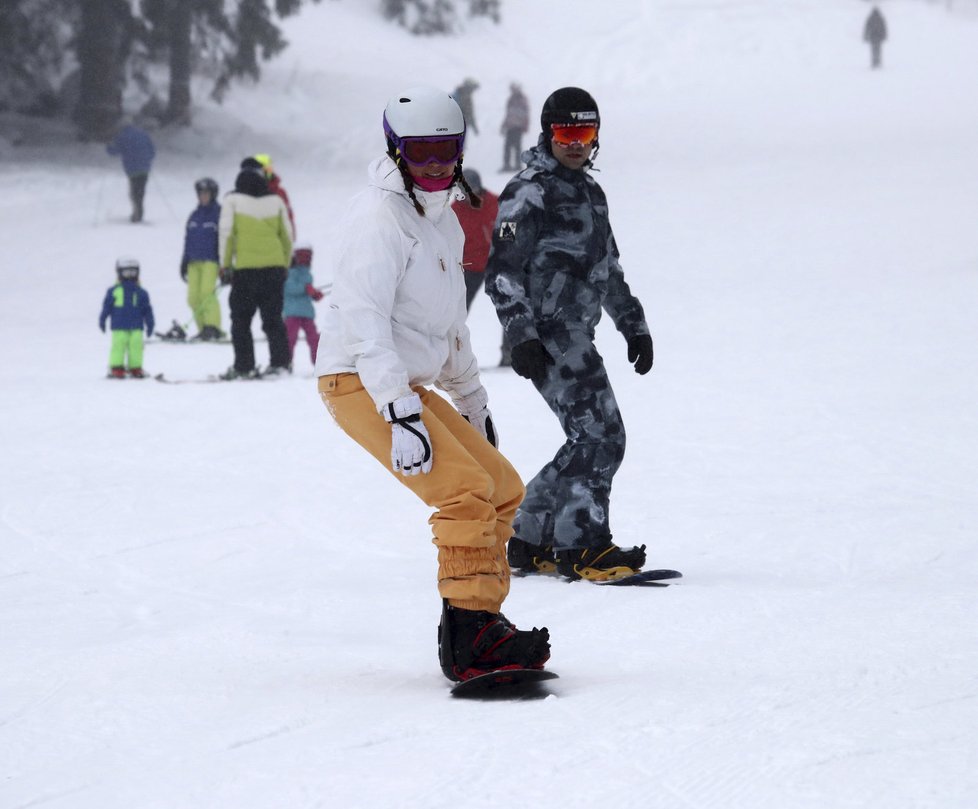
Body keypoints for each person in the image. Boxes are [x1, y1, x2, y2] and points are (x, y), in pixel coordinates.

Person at [315, 85, 550, 684]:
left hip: (405, 382)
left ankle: (481, 622)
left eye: (446, 150)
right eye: (421, 153)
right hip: (359, 379)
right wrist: (398, 412)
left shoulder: (439, 218)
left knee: (500, 485)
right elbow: (365, 321)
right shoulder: (379, 218)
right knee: (464, 491)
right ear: (396, 151)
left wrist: (471, 399)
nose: (437, 165)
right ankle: (470, 640)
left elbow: (446, 324)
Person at [484, 86, 655, 582]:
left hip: (579, 332)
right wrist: (522, 336)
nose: (575, 143)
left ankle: (530, 535)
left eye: (584, 132)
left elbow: (609, 268)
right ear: (548, 132)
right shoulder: (529, 190)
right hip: (551, 334)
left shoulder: (589, 192)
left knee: (589, 438)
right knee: (603, 438)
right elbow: (502, 271)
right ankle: (582, 545)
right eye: (565, 132)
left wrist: (633, 325)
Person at [218, 160, 294, 379]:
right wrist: (285, 264)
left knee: (241, 321)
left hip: (245, 270)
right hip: (274, 268)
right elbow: (287, 237)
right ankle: (280, 364)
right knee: (273, 319)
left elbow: (227, 234)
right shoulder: (276, 201)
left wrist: (225, 266)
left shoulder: (232, 200)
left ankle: (244, 366)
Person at [450, 168, 510, 365]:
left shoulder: (497, 203)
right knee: (455, 313)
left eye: (472, 190)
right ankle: (450, 356)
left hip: (497, 265)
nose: (468, 197)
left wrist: (508, 252)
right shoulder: (455, 210)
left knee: (510, 308)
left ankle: (511, 355)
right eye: (464, 192)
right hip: (469, 267)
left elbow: (510, 231)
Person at [180, 177, 223, 341]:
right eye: (201, 193)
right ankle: (203, 328)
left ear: (213, 195)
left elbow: (225, 238)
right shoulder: (194, 215)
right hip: (193, 261)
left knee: (206, 293)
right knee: (193, 298)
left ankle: (213, 327)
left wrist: (225, 262)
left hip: (211, 260)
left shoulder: (219, 213)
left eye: (207, 193)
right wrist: (184, 261)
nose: (204, 197)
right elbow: (188, 239)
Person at [99, 257, 155, 378]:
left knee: (136, 345)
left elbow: (147, 309)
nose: (129, 276)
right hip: (119, 325)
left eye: (133, 272)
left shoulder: (141, 292)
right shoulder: (114, 291)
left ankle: (135, 367)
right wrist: (102, 319)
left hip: (136, 326)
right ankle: (116, 367)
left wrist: (150, 323)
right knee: (118, 345)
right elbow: (107, 307)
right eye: (126, 272)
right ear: (119, 273)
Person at [106, 124, 155, 223]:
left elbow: (114, 151)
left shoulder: (123, 136)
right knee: (140, 190)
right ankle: (139, 212)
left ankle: (137, 214)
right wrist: (147, 159)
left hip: (132, 169)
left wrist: (108, 146)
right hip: (145, 167)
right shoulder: (143, 134)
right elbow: (152, 151)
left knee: (134, 191)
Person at [283, 241, 323, 366]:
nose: (305, 259)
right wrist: (306, 289)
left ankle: (319, 363)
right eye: (303, 256)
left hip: (306, 312)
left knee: (314, 339)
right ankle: (286, 362)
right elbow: (289, 288)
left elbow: (306, 291)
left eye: (307, 256)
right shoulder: (289, 272)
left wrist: (314, 295)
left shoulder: (307, 273)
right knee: (290, 339)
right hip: (292, 313)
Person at [247, 154, 297, 236]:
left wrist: (291, 237)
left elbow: (288, 218)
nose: (269, 170)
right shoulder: (246, 193)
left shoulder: (280, 192)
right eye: (265, 168)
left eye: (269, 167)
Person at [500, 83, 530, 172]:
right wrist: (504, 125)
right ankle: (507, 165)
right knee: (507, 146)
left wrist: (525, 125)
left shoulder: (522, 100)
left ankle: (517, 165)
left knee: (516, 146)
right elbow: (508, 114)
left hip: (518, 127)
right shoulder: (511, 100)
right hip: (510, 127)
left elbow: (526, 114)